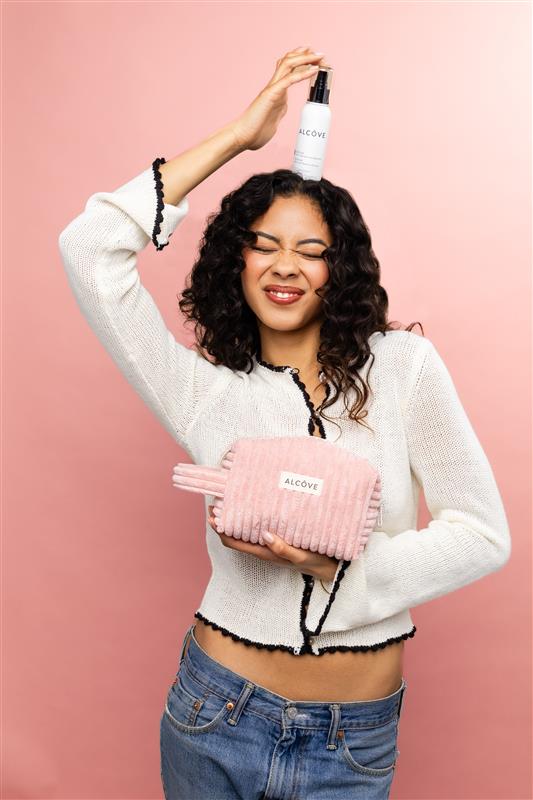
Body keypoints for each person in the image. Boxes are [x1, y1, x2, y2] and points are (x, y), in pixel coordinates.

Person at [58, 46, 511, 800]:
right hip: (215, 713)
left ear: (341, 269)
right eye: (263, 245)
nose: (284, 266)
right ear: (234, 264)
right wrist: (239, 136)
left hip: (353, 736)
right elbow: (87, 249)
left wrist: (341, 570)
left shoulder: (402, 369)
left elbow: (482, 532)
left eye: (309, 250)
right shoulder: (202, 392)